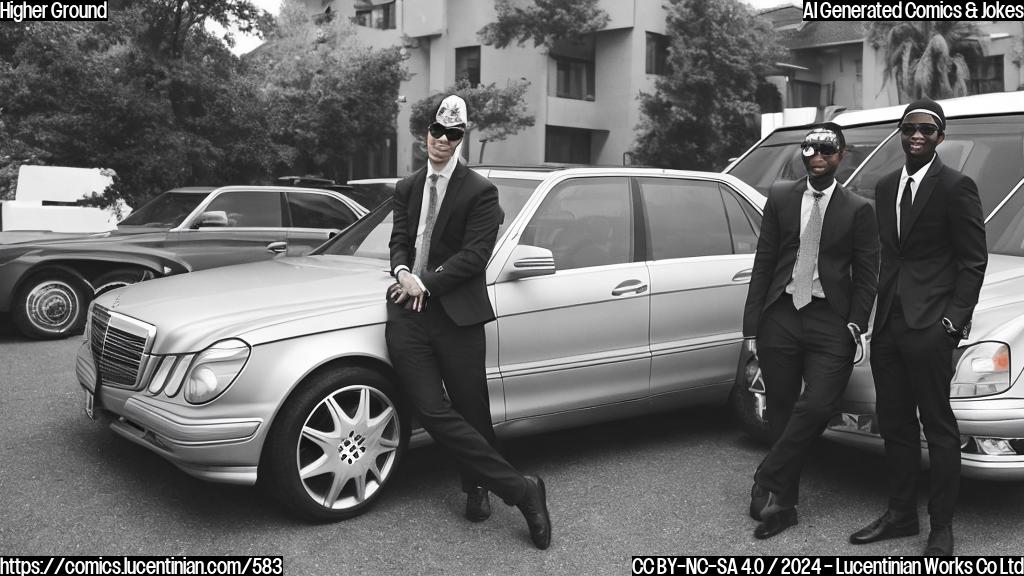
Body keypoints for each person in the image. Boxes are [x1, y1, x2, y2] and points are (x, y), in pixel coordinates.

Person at [385, 94, 551, 550]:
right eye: (437, 131)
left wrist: (425, 282)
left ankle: (476, 485)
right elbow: (399, 241)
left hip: (456, 315)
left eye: (452, 134)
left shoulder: (480, 191)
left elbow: (474, 257)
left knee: (471, 409)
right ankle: (523, 490)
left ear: (462, 138)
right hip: (408, 312)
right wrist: (403, 272)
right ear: (427, 133)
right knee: (430, 408)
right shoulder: (406, 187)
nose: (442, 139)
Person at [850, 99, 987, 557]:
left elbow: (973, 261)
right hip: (889, 325)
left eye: (927, 130)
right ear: (900, 132)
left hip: (931, 326)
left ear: (940, 137)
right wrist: (874, 317)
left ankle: (941, 527)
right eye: (910, 128)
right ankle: (901, 514)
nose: (917, 135)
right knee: (894, 424)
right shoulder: (885, 185)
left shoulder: (956, 186)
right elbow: (889, 255)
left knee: (938, 427)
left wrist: (952, 322)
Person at [742, 122, 879, 540]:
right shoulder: (781, 196)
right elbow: (765, 261)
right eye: (810, 149)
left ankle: (768, 473)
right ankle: (784, 505)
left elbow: (867, 273)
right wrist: (752, 325)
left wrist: (856, 322)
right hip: (781, 314)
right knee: (782, 407)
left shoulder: (858, 209)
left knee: (818, 405)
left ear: (841, 157)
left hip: (830, 319)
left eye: (827, 150)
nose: (817, 157)